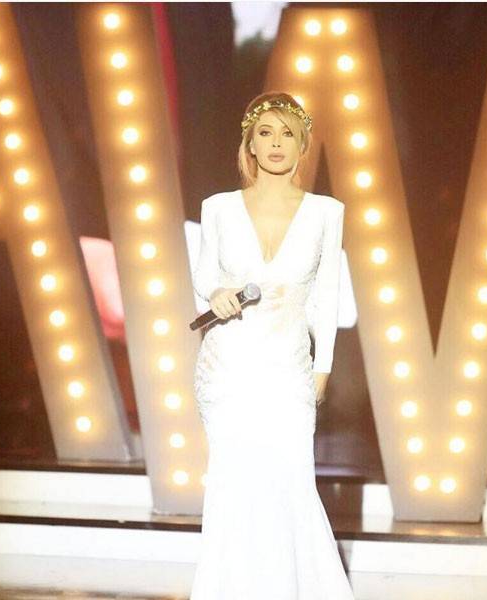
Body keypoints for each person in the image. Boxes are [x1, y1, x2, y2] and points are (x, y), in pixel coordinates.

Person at [190, 91, 354, 599]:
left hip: (288, 369)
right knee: (232, 488)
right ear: (251, 144)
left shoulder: (326, 211)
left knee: (289, 485)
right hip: (228, 367)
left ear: (302, 145)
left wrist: (322, 368)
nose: (277, 143)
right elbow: (204, 276)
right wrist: (216, 294)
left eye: (288, 133)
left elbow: (327, 296)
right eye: (266, 132)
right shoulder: (218, 207)